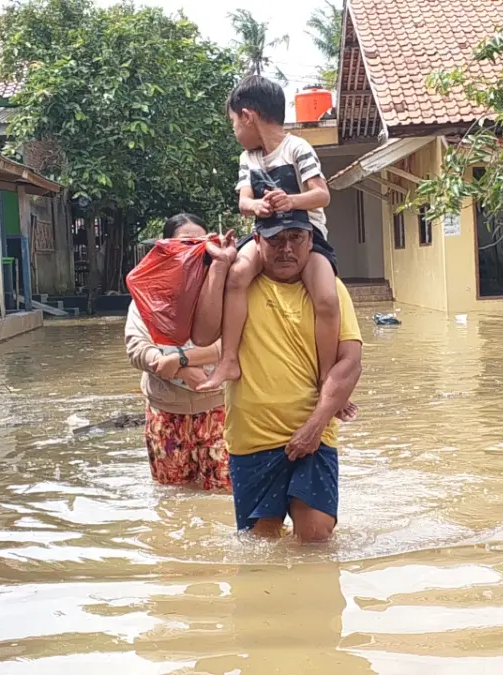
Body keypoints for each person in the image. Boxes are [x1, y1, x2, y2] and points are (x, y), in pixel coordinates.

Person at [191, 219, 363, 542]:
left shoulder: (331, 291)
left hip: (314, 435)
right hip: (251, 440)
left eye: (296, 238)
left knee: (316, 535)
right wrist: (219, 266)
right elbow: (201, 336)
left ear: (310, 241)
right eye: (275, 239)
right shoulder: (236, 287)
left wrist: (315, 427)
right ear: (256, 240)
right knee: (260, 544)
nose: (286, 249)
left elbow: (351, 362)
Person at [199, 76, 340, 394]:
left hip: (308, 237)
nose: (235, 131)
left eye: (234, 123)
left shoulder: (297, 148)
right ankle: (230, 359)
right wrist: (258, 206)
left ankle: (326, 373)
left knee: (328, 301)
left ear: (247, 116)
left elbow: (321, 196)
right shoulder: (248, 159)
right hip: (265, 236)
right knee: (237, 275)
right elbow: (243, 202)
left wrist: (292, 201)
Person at [125, 214, 238, 491]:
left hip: (219, 409)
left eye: (198, 244)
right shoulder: (147, 293)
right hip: (165, 412)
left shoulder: (227, 288)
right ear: (166, 250)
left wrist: (182, 358)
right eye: (183, 244)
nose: (190, 252)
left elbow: (238, 343)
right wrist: (174, 366)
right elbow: (136, 346)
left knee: (225, 494)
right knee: (172, 498)